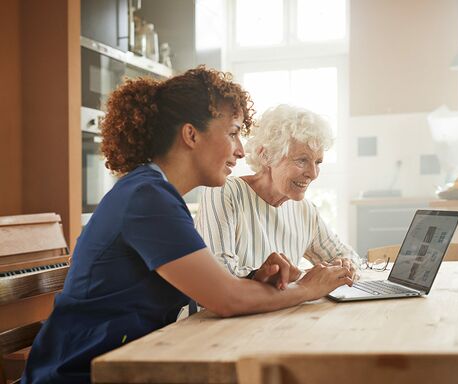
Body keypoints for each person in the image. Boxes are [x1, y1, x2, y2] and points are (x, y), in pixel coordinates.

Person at [22, 67, 352, 383]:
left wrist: (255, 279)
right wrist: (308, 288)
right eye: (234, 133)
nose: (240, 151)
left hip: (127, 362)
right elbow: (227, 299)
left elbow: (215, 288)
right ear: (191, 135)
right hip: (80, 374)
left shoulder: (157, 194)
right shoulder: (147, 198)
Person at [196, 104, 361, 284]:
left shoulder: (304, 210)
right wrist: (297, 280)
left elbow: (347, 255)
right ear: (266, 155)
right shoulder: (224, 191)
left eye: (318, 162)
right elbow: (221, 277)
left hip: (284, 311)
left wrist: (346, 265)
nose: (313, 174)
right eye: (302, 160)